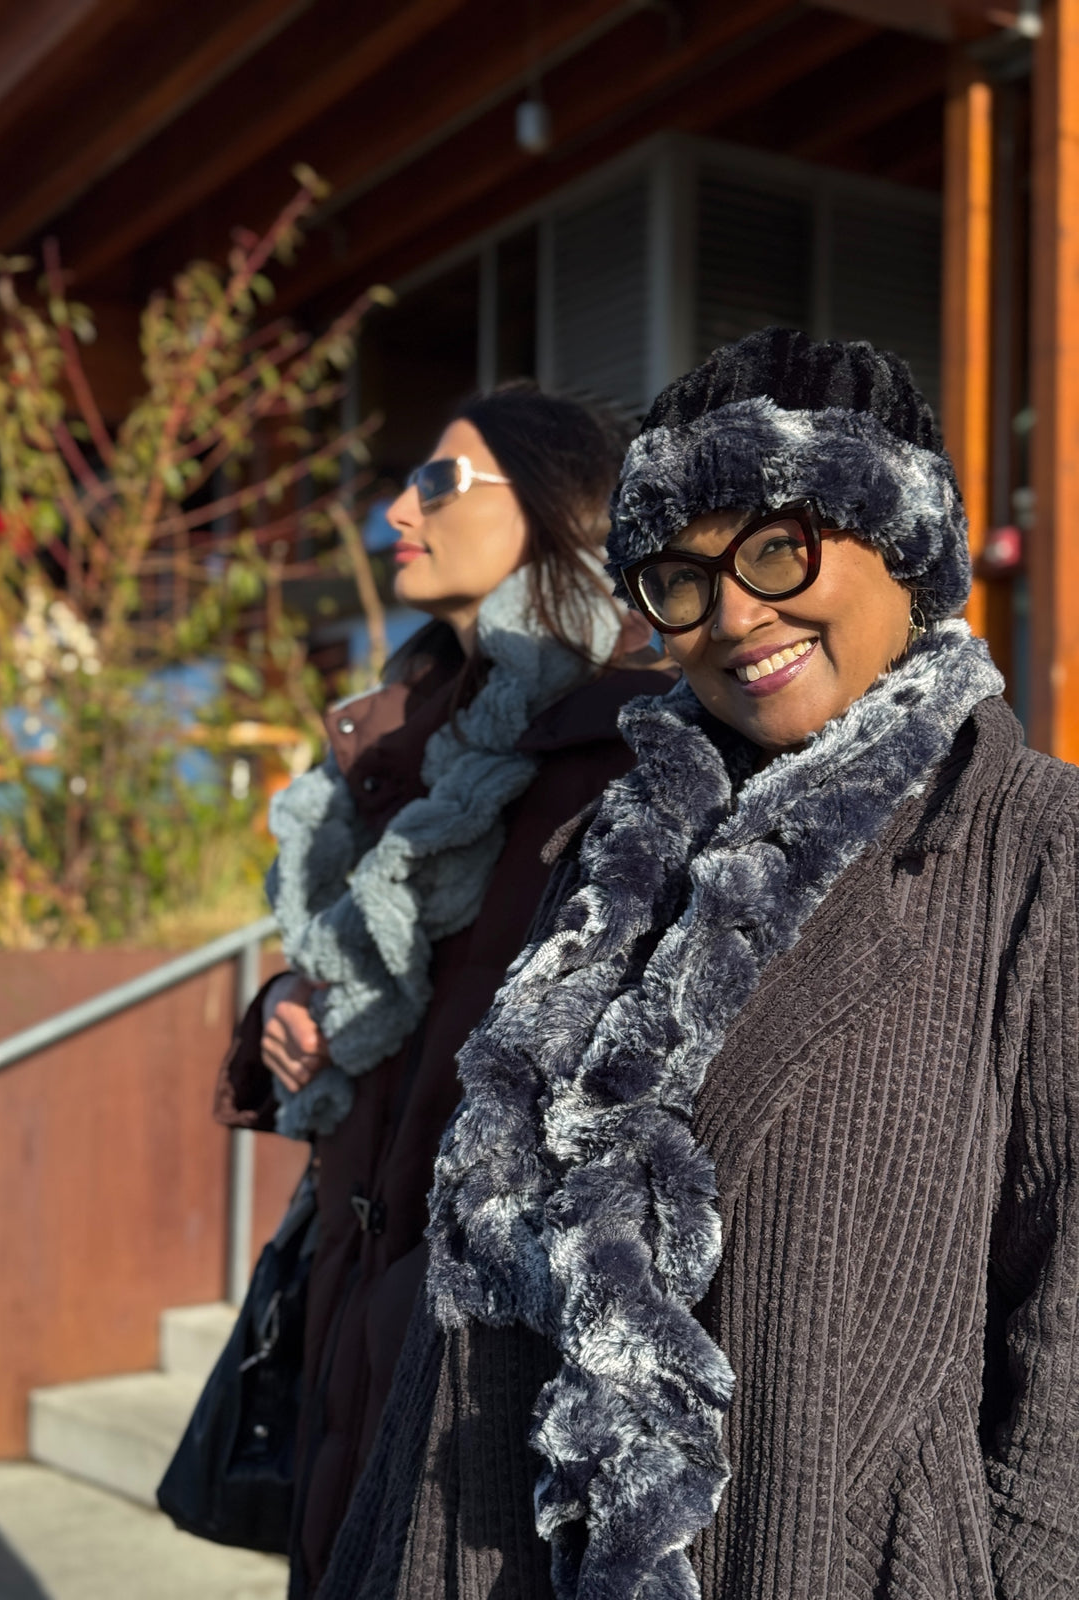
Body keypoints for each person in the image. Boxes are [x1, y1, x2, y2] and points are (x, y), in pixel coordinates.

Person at [321, 329, 1079, 1600]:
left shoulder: (1032, 845)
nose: (734, 616)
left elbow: (1068, 1311)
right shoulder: (616, 848)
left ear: (904, 544)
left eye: (778, 548)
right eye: (680, 576)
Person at [213, 381, 673, 1595]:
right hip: (349, 1300)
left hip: (480, 1350)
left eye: (439, 481)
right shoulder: (392, 744)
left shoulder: (629, 745)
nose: (398, 510)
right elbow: (357, 965)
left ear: (559, 509)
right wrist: (279, 1011)